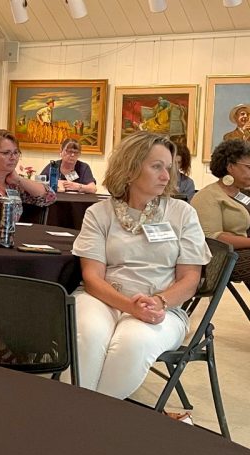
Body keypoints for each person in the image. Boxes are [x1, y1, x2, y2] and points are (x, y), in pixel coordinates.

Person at [72, 131, 210, 399]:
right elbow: (92, 277)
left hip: (163, 307)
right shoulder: (99, 213)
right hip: (102, 297)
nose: (167, 176)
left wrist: (157, 302)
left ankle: (83, 417)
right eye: (157, 166)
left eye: (169, 168)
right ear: (130, 168)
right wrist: (128, 306)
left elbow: (190, 279)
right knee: (88, 336)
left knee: (131, 344)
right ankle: (82, 417)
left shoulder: (182, 214)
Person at [191, 139, 250, 286]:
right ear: (230, 167)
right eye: (249, 167)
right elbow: (214, 238)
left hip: (241, 253)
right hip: (219, 260)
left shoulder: (241, 194)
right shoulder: (208, 196)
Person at [0, 129, 56, 219]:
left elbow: (49, 197)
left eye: (16, 152)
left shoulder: (13, 184)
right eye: (6, 153)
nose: (13, 157)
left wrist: (19, 180)